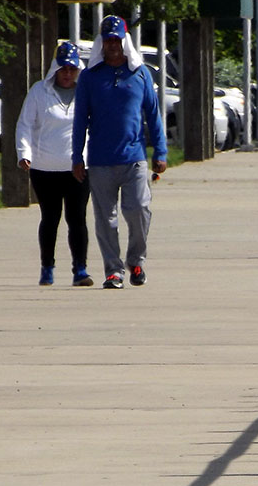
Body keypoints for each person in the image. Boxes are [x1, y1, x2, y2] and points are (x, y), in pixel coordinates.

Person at [72, 15, 168, 289]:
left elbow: (153, 114)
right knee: (105, 219)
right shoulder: (90, 78)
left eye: (117, 40)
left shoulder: (139, 74)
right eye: (108, 40)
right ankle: (113, 271)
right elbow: (80, 120)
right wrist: (76, 157)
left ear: (124, 41)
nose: (113, 45)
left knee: (138, 209)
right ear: (102, 43)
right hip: (100, 160)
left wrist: (160, 151)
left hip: (134, 158)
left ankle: (135, 260)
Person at [17, 41, 93, 286]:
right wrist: (23, 153)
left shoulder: (86, 92)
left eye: (72, 69)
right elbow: (25, 124)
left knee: (77, 219)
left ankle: (80, 269)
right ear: (55, 70)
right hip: (45, 168)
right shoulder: (40, 91)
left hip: (78, 167)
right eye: (63, 69)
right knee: (50, 218)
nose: (67, 74)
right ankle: (47, 267)